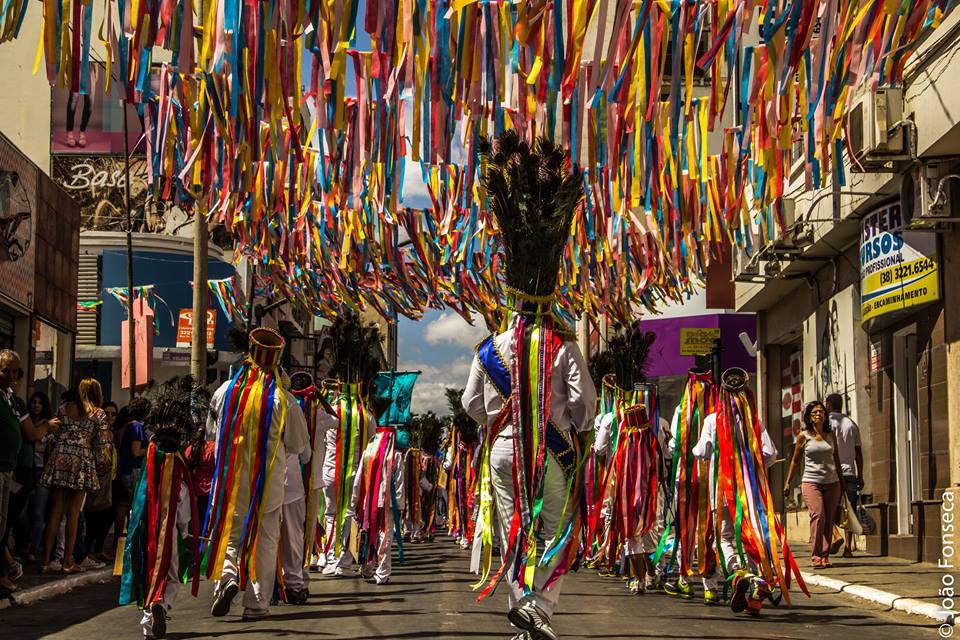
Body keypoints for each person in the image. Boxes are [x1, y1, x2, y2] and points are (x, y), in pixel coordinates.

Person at [463, 132, 596, 640]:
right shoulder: (561, 345)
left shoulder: (488, 347)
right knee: (555, 529)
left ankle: (524, 612)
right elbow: (585, 404)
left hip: (502, 449)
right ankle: (539, 608)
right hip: (553, 451)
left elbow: (473, 404)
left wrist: (499, 424)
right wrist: (573, 427)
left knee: (511, 530)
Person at [205, 328, 309, 621]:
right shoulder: (283, 399)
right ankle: (256, 603)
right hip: (269, 486)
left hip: (229, 481)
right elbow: (298, 445)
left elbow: (212, 435)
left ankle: (227, 577)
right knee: (264, 542)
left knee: (228, 534)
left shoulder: (224, 391)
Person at [120, 376, 205, 640]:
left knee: (147, 572)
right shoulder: (178, 468)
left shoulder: (150, 462)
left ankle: (149, 619)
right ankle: (161, 605)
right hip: (168, 532)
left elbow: (138, 503)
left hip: (146, 528)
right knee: (170, 574)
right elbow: (182, 511)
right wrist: (185, 530)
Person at [0, 352, 59, 592]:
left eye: (16, 371)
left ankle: (7, 568)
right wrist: (47, 425)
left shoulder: (13, 400)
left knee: (4, 524)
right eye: (6, 370)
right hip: (6, 470)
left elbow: (31, 433)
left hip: (10, 470)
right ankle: (6, 569)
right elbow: (33, 434)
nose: (12, 376)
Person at [40, 379, 107, 574]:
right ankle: (68, 560)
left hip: (60, 457)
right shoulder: (98, 414)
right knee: (74, 514)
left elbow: (54, 434)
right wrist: (102, 468)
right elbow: (101, 445)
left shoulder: (63, 408)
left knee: (55, 511)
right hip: (81, 460)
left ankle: (46, 560)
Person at [784, 401, 844, 569]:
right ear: (809, 417)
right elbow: (795, 461)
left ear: (825, 416)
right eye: (815, 413)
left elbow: (837, 460)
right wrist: (788, 482)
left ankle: (824, 556)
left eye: (821, 412)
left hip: (832, 482)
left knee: (828, 518)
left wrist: (842, 482)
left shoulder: (831, 436)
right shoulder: (804, 436)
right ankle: (816, 555)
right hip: (811, 481)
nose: (818, 415)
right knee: (818, 515)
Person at [826, 393, 863, 558]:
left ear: (828, 405)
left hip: (831, 472)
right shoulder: (852, 424)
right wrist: (860, 475)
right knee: (850, 511)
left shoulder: (825, 423)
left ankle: (835, 536)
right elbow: (858, 453)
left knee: (825, 508)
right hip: (849, 472)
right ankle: (848, 548)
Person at [114, 398, 152, 542]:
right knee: (135, 505)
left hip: (125, 469)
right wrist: (151, 448)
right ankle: (132, 538)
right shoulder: (136, 427)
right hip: (133, 470)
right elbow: (136, 451)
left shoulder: (129, 426)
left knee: (123, 505)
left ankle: (118, 541)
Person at [26, 391, 57, 561]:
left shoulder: (50, 425)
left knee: (38, 513)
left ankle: (33, 549)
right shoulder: (26, 422)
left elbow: (49, 447)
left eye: (39, 402)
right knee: (23, 513)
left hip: (42, 471)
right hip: (26, 470)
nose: (36, 405)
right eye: (34, 402)